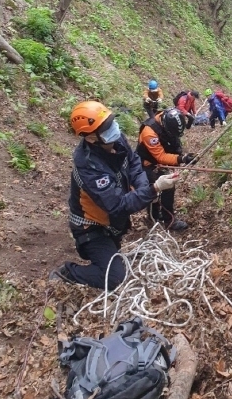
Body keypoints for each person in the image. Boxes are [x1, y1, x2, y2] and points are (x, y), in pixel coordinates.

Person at [50, 101, 179, 289]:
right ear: (91, 137)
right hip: (91, 228)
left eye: (111, 122)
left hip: (113, 224)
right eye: (106, 127)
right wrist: (154, 189)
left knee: (116, 261)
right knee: (114, 279)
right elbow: (117, 205)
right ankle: (68, 272)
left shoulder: (115, 140)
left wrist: (145, 186)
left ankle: (108, 254)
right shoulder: (88, 166)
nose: (113, 128)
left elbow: (134, 162)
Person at [137, 107, 197, 232]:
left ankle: (166, 217)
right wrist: (181, 159)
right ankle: (160, 218)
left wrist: (183, 156)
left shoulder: (168, 120)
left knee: (168, 185)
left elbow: (174, 144)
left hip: (158, 161)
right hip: (147, 164)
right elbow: (160, 156)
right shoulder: (149, 132)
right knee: (160, 186)